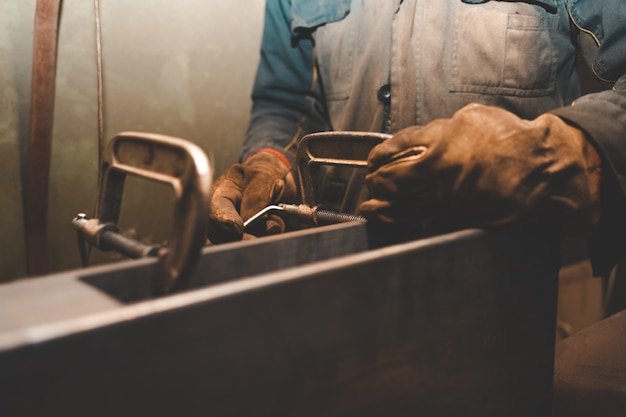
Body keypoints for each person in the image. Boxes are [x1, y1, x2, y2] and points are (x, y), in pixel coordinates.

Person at [207, 0, 626, 278]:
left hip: (503, 288)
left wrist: (554, 156)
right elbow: (286, 100)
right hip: (340, 278)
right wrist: (270, 160)